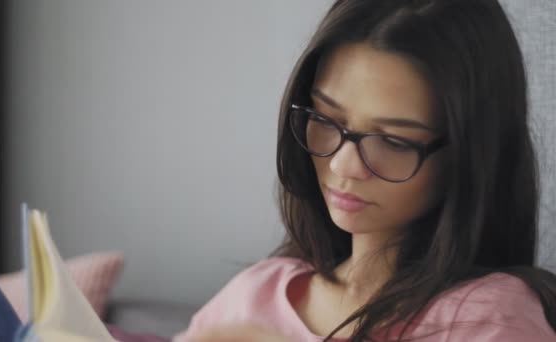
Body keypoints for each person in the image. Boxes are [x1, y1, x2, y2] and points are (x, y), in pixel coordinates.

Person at [174, 0, 556, 341]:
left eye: (394, 142)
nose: (343, 165)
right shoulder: (256, 292)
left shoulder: (488, 318)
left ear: (470, 156)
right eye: (324, 119)